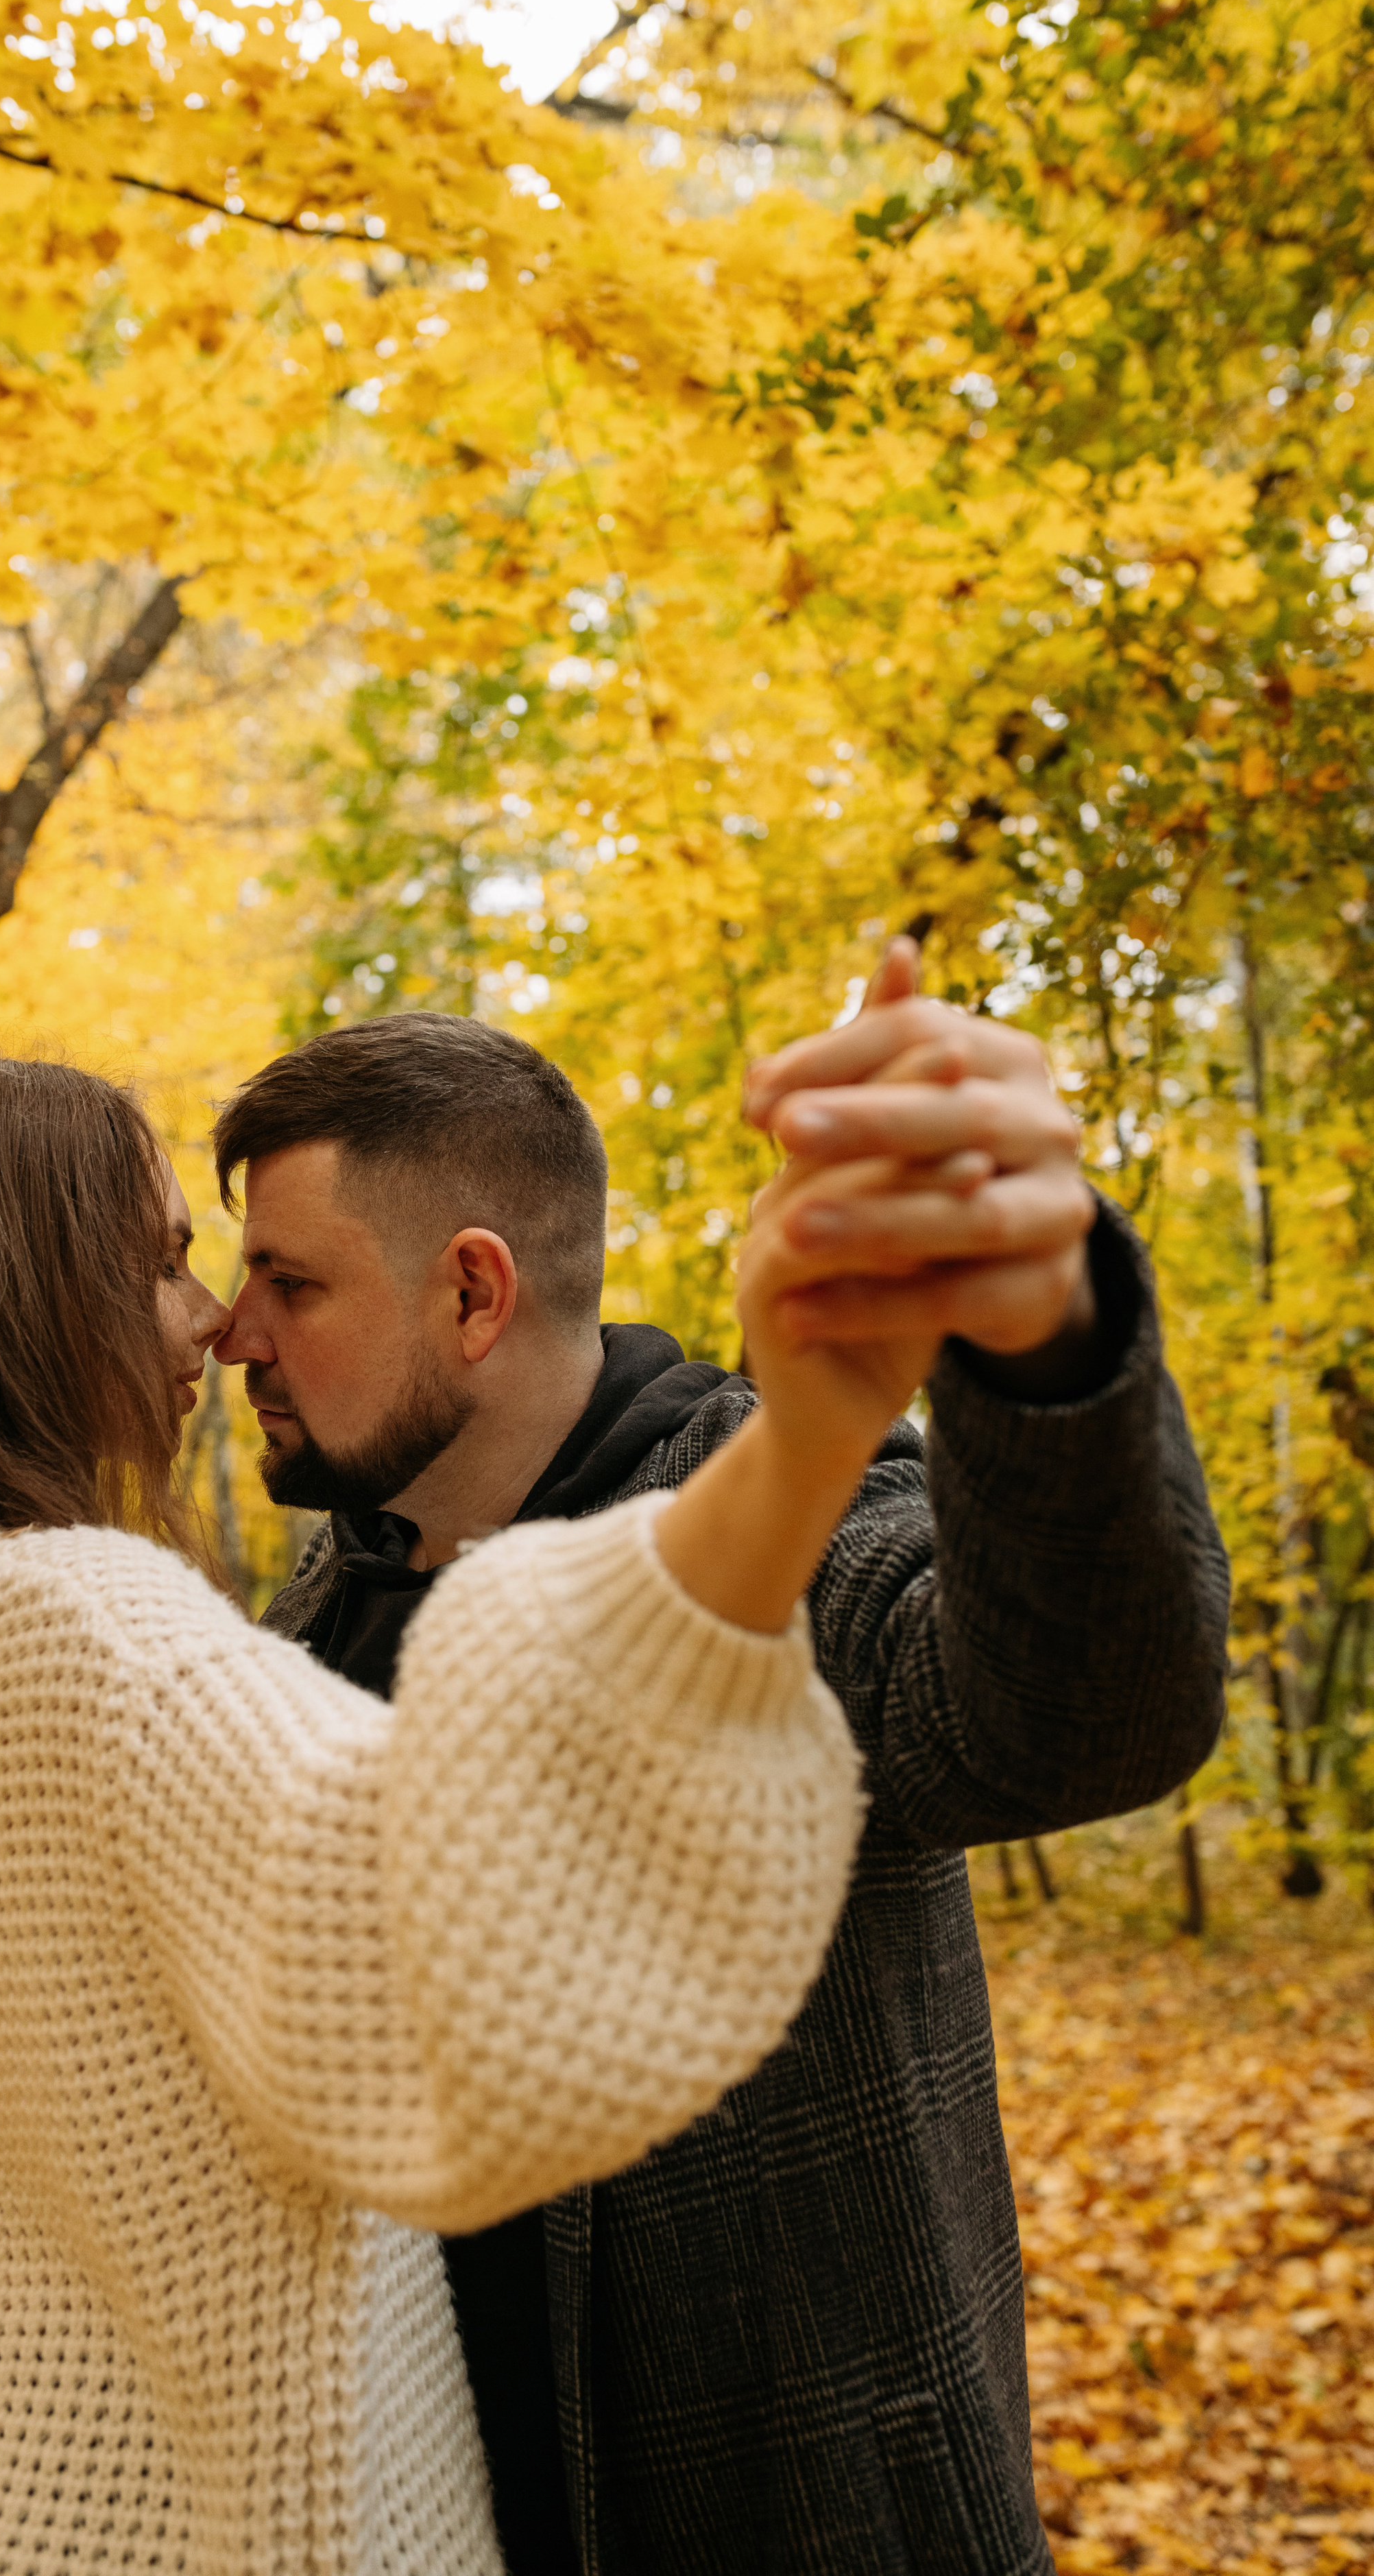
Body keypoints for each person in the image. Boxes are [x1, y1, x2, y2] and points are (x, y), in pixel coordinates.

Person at [0, 1054, 926, 2576]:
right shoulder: (88, 1628)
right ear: (21, 1294)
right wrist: (807, 1438)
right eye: (162, 1260)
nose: (212, 1319)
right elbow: (443, 1949)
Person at [210, 953, 1231, 2576]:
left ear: (471, 1295)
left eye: (288, 1281)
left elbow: (1079, 1710)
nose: (232, 1332)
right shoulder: (325, 1595)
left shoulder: (773, 1510)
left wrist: (1039, 1316)